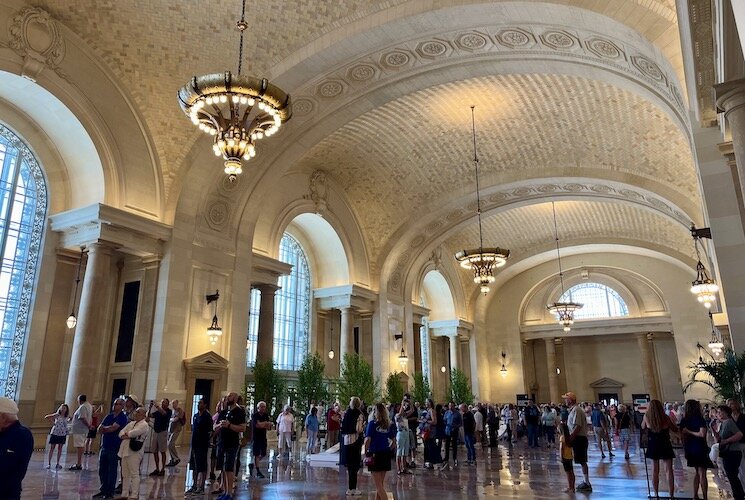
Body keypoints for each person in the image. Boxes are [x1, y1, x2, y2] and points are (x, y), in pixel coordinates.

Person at [642, 399, 678, 499]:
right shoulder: (665, 417)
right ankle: (671, 494)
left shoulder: (647, 416)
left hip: (653, 444)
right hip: (665, 443)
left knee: (654, 470)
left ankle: (656, 494)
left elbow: (643, 427)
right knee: (669, 470)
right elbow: (674, 429)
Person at [93, 398, 128, 499]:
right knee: (102, 469)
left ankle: (110, 492)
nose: (115, 405)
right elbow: (100, 429)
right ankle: (103, 489)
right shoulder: (109, 416)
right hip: (105, 446)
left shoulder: (122, 417)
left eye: (117, 404)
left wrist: (106, 428)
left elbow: (114, 428)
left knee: (112, 470)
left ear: (122, 406)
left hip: (114, 446)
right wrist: (106, 428)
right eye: (114, 403)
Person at [680, 399, 714, 500]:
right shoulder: (699, 419)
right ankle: (705, 496)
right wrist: (690, 432)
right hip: (699, 447)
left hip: (689, 448)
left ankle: (695, 495)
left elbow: (682, 435)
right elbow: (702, 434)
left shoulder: (684, 420)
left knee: (697, 472)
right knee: (702, 473)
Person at [214, 392, 246, 500]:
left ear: (236, 398)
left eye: (231, 396)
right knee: (223, 468)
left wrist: (229, 425)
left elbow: (242, 428)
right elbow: (215, 426)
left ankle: (229, 493)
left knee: (229, 467)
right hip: (222, 442)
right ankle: (225, 491)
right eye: (228, 396)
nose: (228, 397)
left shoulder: (239, 412)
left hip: (232, 443)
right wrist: (220, 425)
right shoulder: (224, 412)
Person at [0, 397, 33, 499]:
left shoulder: (21, 435)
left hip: (6, 492)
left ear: (3, 417)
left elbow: (5, 464)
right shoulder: (4, 432)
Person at [713, 404, 745, 500]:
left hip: (733, 452)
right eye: (717, 412)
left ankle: (739, 496)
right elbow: (719, 440)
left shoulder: (729, 422)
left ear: (726, 413)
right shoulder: (723, 423)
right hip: (728, 452)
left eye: (719, 412)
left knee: (732, 476)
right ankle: (738, 495)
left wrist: (727, 441)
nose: (717, 414)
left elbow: (739, 434)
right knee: (731, 476)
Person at [364, 402, 396, 500]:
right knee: (380, 484)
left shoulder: (372, 424)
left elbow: (367, 440)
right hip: (385, 454)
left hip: (375, 454)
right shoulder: (388, 425)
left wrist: (365, 452)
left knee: (379, 486)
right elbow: (394, 441)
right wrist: (388, 449)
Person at [118, 406, 150, 500]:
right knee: (125, 473)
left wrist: (127, 434)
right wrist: (126, 434)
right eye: (136, 412)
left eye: (138, 412)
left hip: (134, 452)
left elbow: (133, 433)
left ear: (143, 415)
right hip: (125, 450)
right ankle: (124, 494)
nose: (136, 413)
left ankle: (134, 495)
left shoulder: (144, 425)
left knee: (134, 473)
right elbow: (121, 433)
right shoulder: (131, 423)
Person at [564, 391, 592, 492]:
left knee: (582, 460)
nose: (565, 401)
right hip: (577, 438)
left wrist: (571, 437)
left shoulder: (576, 410)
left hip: (579, 438)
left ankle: (587, 482)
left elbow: (577, 426)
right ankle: (586, 481)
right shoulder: (573, 410)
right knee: (581, 460)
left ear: (570, 400)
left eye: (566, 399)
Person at [185, 398, 213, 496]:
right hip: (194, 444)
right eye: (198, 403)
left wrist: (207, 441)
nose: (199, 404)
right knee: (193, 465)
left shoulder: (207, 417)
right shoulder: (196, 416)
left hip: (202, 445)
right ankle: (194, 485)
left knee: (202, 466)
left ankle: (201, 487)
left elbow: (210, 432)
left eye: (201, 403)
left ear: (205, 405)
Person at [341, 396, 364, 496]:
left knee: (349, 465)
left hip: (346, 441)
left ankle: (349, 488)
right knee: (354, 466)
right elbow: (358, 429)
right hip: (355, 441)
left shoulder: (347, 413)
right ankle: (353, 488)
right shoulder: (359, 414)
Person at [148, 398, 172, 476]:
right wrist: (150, 407)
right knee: (154, 451)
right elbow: (150, 415)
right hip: (156, 432)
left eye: (164, 402)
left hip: (162, 432)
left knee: (162, 451)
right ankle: (157, 468)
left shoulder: (169, 411)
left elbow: (164, 413)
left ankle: (163, 469)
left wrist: (157, 406)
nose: (163, 403)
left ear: (167, 404)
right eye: (162, 402)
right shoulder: (158, 411)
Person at [249, 401, 272, 479]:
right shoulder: (255, 415)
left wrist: (264, 424)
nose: (263, 408)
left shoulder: (265, 415)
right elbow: (257, 425)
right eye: (261, 407)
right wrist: (265, 423)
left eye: (264, 407)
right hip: (256, 436)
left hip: (263, 436)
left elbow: (269, 427)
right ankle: (258, 471)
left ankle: (252, 463)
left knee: (263, 453)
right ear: (258, 408)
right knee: (256, 453)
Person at [69, 394, 92, 470]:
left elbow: (83, 418)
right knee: (81, 445)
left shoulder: (83, 407)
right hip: (82, 429)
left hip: (80, 430)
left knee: (80, 446)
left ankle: (79, 463)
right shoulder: (88, 405)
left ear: (79, 400)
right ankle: (79, 463)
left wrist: (89, 426)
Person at [44, 403, 70, 469]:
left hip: (62, 433)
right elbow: (47, 417)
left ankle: (58, 463)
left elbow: (67, 423)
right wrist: (53, 423)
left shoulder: (66, 417)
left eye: (64, 408)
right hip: (55, 433)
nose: (63, 409)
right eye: (62, 408)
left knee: (60, 449)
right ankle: (49, 463)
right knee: (52, 448)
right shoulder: (57, 415)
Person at [558, 415, 575, 493]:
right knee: (572, 472)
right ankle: (573, 487)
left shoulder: (562, 438)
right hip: (570, 456)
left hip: (565, 456)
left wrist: (561, 457)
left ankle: (570, 487)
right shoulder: (569, 437)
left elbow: (561, 448)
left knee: (568, 473)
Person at [443, 401, 462, 467]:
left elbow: (460, 423)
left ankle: (454, 457)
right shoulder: (446, 413)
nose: (450, 407)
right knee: (447, 444)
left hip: (454, 430)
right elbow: (444, 420)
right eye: (450, 406)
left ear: (454, 406)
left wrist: (456, 427)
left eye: (452, 406)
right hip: (448, 430)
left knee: (454, 444)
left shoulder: (457, 414)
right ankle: (446, 457)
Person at [167, 399, 185, 467]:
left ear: (177, 404)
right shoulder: (172, 411)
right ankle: (172, 459)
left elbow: (175, 419)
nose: (173, 405)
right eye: (172, 403)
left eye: (174, 403)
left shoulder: (180, 411)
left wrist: (169, 419)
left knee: (170, 443)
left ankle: (176, 458)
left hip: (176, 429)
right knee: (169, 445)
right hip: (170, 429)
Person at [394, 402, 410, 474]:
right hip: (400, 433)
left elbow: (412, 410)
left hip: (406, 433)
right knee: (399, 451)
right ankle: (398, 468)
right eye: (399, 407)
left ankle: (404, 467)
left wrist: (410, 402)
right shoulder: (397, 415)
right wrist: (402, 402)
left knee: (405, 452)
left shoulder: (405, 416)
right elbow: (400, 413)